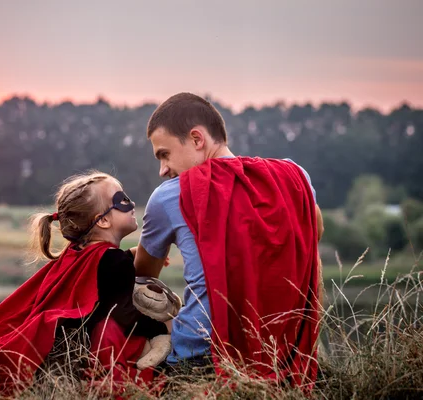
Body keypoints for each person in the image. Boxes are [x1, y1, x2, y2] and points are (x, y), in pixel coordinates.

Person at [133, 93, 324, 388]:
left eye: (164, 154)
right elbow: (314, 233)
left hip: (201, 359)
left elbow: (143, 277)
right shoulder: (295, 177)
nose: (163, 170)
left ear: (197, 139)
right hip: (287, 356)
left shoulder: (171, 195)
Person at [0, 171, 168, 395]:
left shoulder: (79, 251)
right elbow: (124, 313)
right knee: (165, 339)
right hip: (101, 348)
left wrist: (129, 255)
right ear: (103, 221)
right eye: (122, 200)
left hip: (73, 347)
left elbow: (100, 272)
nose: (132, 203)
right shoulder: (113, 262)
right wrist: (159, 331)